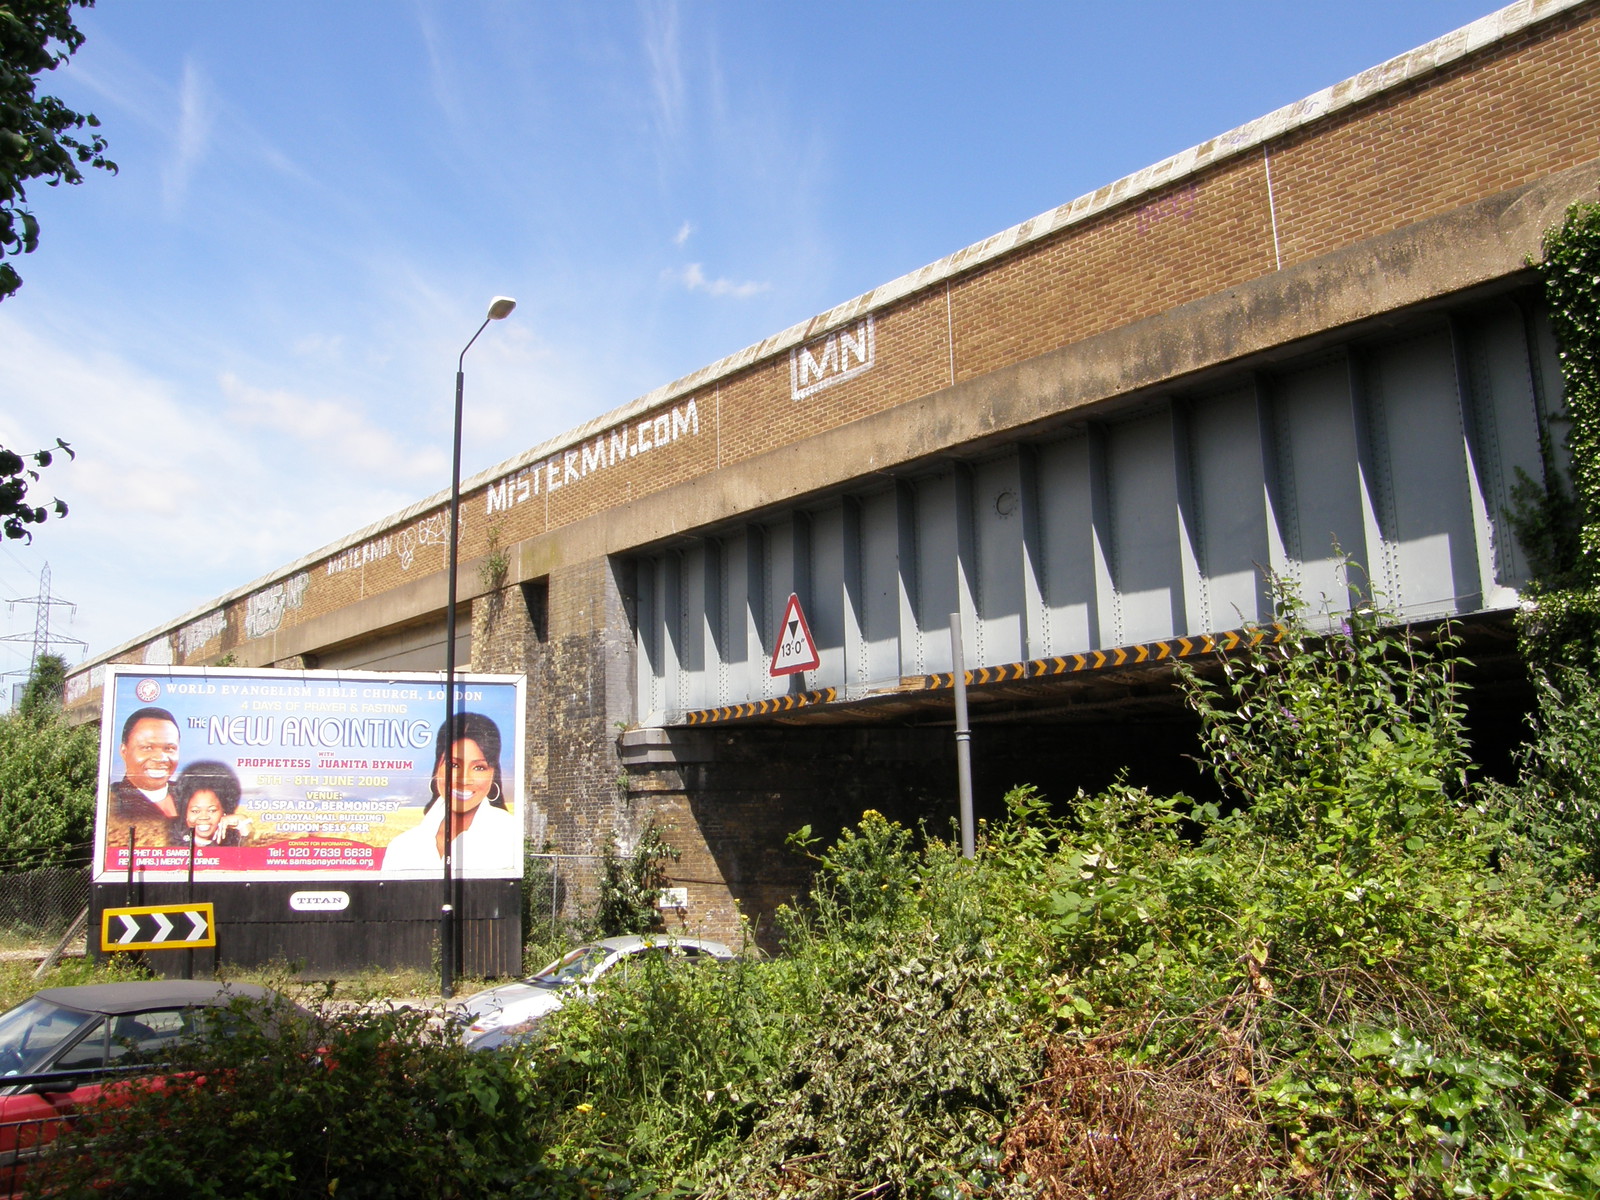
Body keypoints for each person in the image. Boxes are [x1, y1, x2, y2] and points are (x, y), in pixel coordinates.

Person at [381, 712, 519, 876]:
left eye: (479, 767)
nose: (464, 779)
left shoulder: (511, 836)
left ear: (493, 774)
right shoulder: (402, 846)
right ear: (437, 766)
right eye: (453, 765)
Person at [109, 707, 182, 828]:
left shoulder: (190, 796)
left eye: (169, 748)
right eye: (147, 748)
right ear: (124, 751)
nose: (160, 758)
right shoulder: (112, 802)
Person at [168, 761, 253, 849]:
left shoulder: (233, 839)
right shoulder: (168, 836)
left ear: (224, 811)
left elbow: (254, 855)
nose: (204, 817)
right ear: (185, 812)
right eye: (195, 811)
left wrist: (243, 823)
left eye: (212, 810)